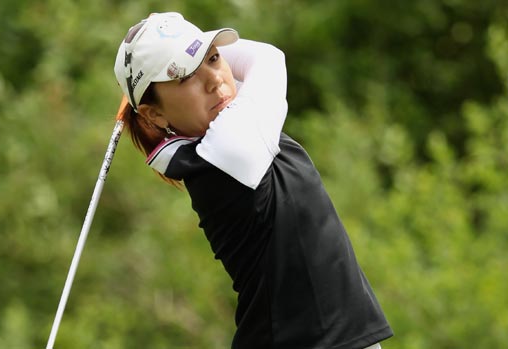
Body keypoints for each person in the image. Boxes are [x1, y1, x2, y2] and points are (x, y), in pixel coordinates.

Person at [113, 12, 393, 349]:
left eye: (214, 58)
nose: (215, 80)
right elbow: (268, 58)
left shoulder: (216, 138)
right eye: (184, 76)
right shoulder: (229, 147)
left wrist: (174, 47)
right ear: (154, 114)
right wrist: (185, 47)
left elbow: (239, 73)